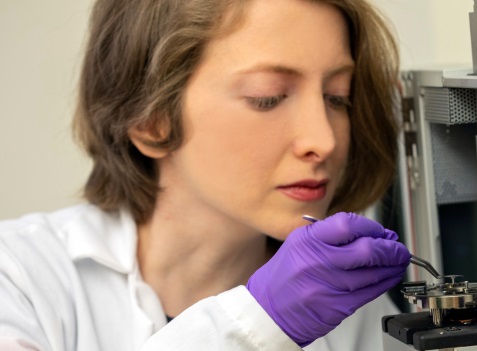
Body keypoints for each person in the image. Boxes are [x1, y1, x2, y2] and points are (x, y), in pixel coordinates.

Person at [0, 0, 410, 349]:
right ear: (149, 118)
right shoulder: (18, 277)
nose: (324, 140)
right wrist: (260, 323)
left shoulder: (356, 317)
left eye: (338, 97)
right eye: (267, 98)